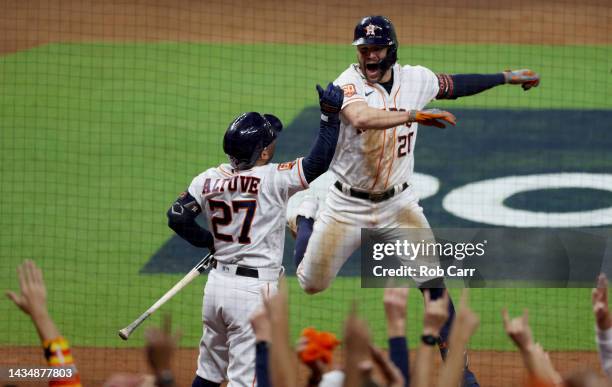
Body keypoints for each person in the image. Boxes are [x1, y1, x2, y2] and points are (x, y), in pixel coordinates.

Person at [292, 15, 540, 386]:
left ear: (391, 49)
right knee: (311, 283)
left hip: (398, 204)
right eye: (363, 51)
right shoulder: (346, 84)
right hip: (345, 206)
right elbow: (361, 115)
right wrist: (411, 115)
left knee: (433, 283)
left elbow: (455, 85)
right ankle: (303, 213)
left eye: (376, 49)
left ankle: (460, 371)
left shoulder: (416, 79)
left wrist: (504, 77)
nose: (369, 57)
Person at [166, 83, 344, 387]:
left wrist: (210, 242)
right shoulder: (274, 178)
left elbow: (177, 217)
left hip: (216, 289)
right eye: (270, 141)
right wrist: (329, 117)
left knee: (208, 371)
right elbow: (319, 161)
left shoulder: (208, 178)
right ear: (263, 152)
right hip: (252, 294)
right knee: (245, 380)